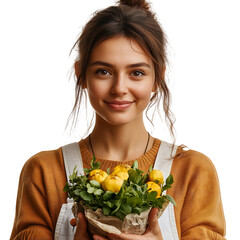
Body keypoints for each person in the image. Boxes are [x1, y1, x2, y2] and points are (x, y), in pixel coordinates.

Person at [10, 0, 226, 239]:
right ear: (81, 74)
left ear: (157, 77)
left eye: (137, 73)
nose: (119, 88)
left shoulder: (193, 172)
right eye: (104, 71)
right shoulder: (44, 172)